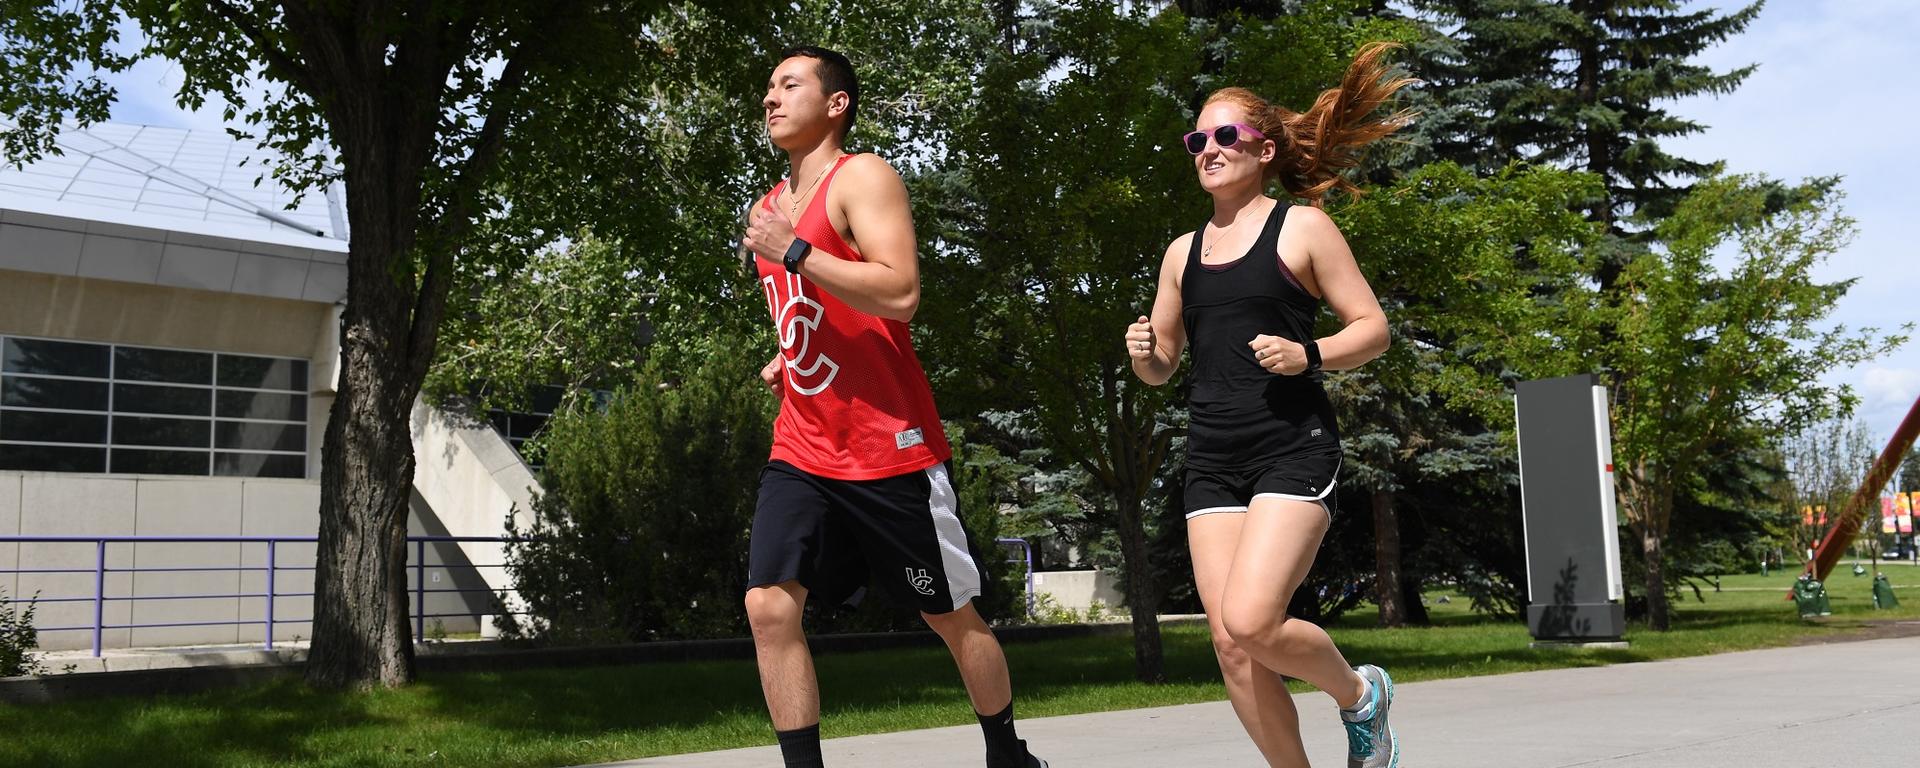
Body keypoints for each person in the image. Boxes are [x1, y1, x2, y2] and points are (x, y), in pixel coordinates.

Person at [738, 46, 1046, 768]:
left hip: (887, 448)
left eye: (790, 85)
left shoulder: (862, 177)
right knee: (768, 606)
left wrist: (794, 253)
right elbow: (822, 308)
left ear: (836, 103)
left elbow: (900, 291)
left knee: (946, 614)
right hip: (804, 448)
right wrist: (792, 352)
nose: (771, 99)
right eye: (768, 89)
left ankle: (1008, 754)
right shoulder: (767, 209)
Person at [1123, 42, 1412, 767]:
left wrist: (1308, 355)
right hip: (1213, 458)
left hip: (1292, 445)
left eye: (1225, 136)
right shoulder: (1181, 252)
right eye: (1198, 139)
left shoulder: (1302, 228)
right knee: (1230, 644)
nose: (1208, 149)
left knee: (1252, 620)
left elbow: (1373, 329)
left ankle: (1358, 694)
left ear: (1266, 148)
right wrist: (1143, 354)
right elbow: (1162, 367)